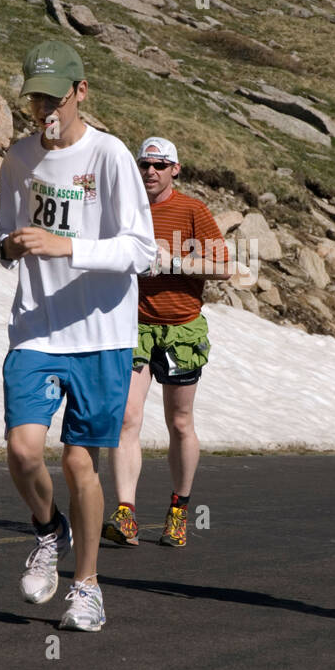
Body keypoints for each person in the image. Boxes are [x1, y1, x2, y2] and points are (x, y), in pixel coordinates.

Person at [0, 40, 156, 632]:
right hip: (36, 328)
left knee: (79, 463)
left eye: (54, 97)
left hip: (102, 334)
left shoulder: (110, 156)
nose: (44, 109)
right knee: (22, 449)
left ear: (80, 92)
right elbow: (5, 235)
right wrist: (11, 244)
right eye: (35, 98)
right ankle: (47, 531)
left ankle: (86, 585)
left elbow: (142, 249)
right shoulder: (19, 158)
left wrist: (70, 248)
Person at [103, 137, 232, 549]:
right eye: (144, 164)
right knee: (126, 417)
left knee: (179, 422)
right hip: (135, 324)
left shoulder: (192, 210)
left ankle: (179, 509)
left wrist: (175, 262)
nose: (150, 172)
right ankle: (126, 513)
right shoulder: (126, 207)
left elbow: (226, 268)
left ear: (176, 169)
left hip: (181, 327)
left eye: (160, 165)